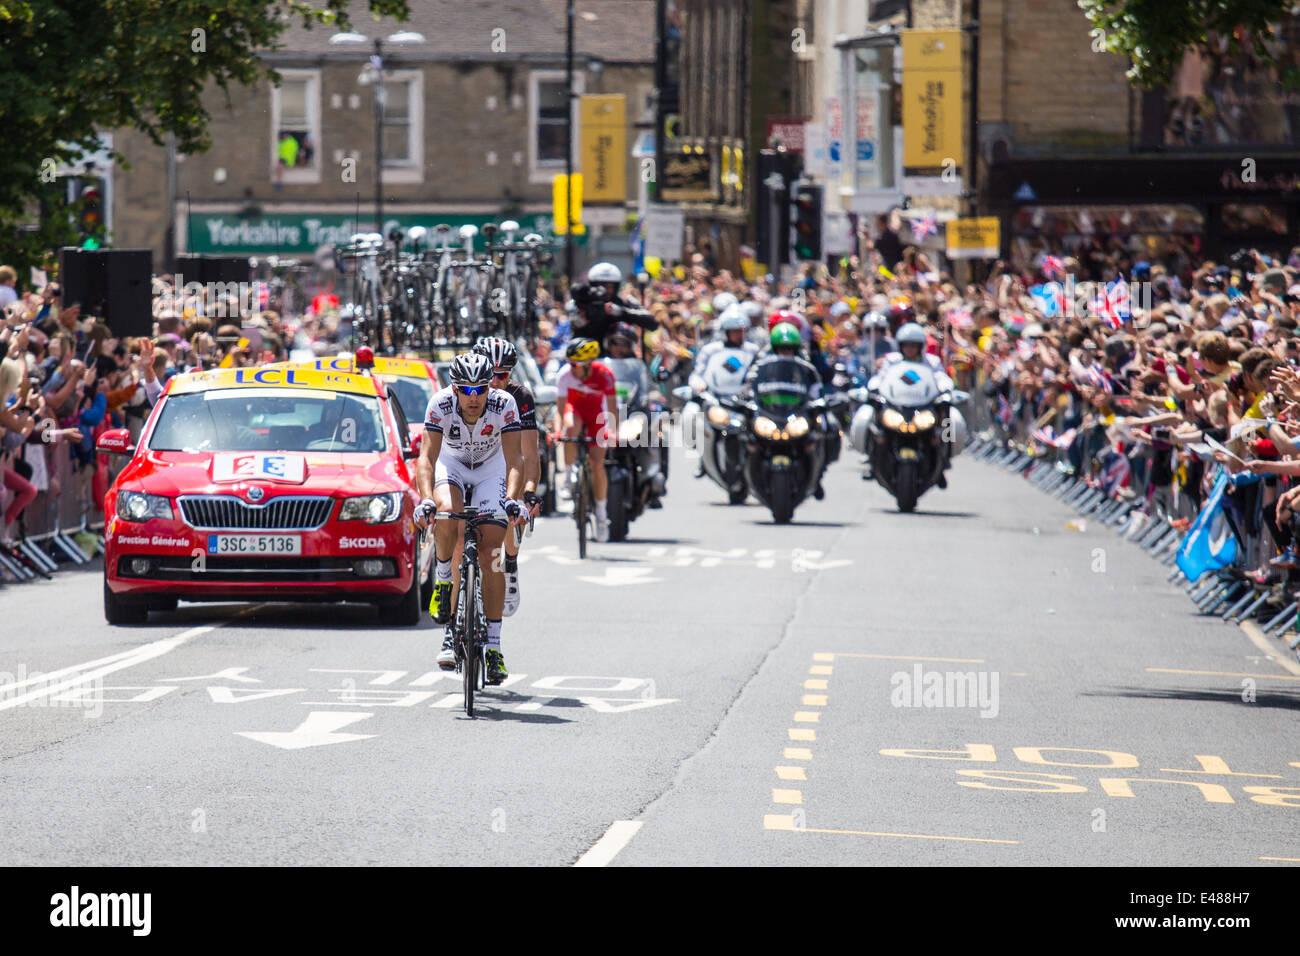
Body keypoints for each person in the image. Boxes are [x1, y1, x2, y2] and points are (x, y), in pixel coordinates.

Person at [414, 352, 525, 684]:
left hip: (492, 469)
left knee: (492, 550)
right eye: (466, 390)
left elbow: (515, 460)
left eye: (481, 389)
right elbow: (426, 459)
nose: (474, 397)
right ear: (455, 388)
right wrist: (425, 500)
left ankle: (493, 646)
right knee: (447, 514)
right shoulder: (440, 404)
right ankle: (445, 578)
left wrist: (512, 500)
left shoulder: (504, 404)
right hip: (454, 465)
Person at [472, 336, 539, 615]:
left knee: (512, 507)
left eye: (503, 375)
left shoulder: (520, 397)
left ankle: (509, 564)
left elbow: (528, 454)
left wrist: (529, 492)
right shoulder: (469, 394)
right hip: (474, 464)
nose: (497, 382)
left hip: (509, 463)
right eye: (492, 374)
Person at [741, 322, 831, 498]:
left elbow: (817, 392)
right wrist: (746, 400)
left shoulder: (807, 368)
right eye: (782, 349)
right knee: (743, 431)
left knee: (828, 427)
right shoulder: (760, 366)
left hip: (796, 415)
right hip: (770, 414)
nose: (786, 352)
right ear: (774, 348)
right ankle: (742, 474)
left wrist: (820, 403)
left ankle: (818, 473)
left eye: (789, 349)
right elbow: (748, 388)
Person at [554, 337, 618, 542]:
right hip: (576, 411)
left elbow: (613, 407)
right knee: (570, 427)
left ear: (588, 364)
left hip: (597, 415)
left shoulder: (605, 375)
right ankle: (568, 476)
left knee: (597, 463)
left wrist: (613, 432)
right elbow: (560, 409)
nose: (571, 368)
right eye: (570, 363)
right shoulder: (565, 375)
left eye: (575, 365)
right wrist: (558, 432)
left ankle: (601, 514)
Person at [567, 262, 658, 350]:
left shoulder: (625, 300)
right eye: (599, 286)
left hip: (620, 357)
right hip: (589, 357)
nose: (604, 291)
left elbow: (651, 322)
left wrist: (620, 312)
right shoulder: (580, 304)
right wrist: (581, 319)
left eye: (609, 286)